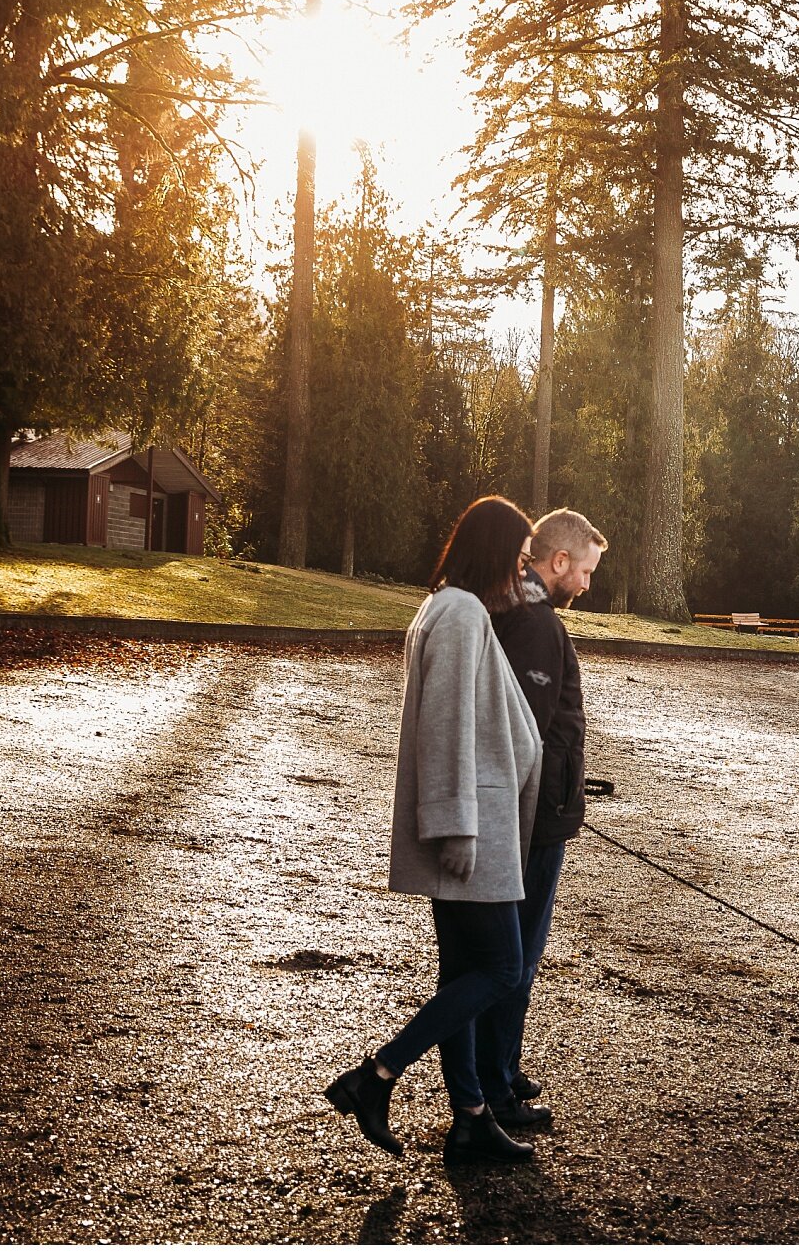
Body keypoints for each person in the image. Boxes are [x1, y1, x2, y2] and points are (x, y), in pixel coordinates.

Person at [324, 496, 544, 1164]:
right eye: (518, 557)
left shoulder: (450, 608)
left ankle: (471, 1117)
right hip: (470, 832)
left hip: (472, 826)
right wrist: (452, 824)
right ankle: (376, 1075)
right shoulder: (459, 613)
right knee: (504, 967)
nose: (521, 572)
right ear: (494, 553)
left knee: (462, 975)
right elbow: (444, 724)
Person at [482, 508, 606, 1133]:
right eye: (583, 571)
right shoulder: (534, 624)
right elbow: (523, 735)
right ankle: (497, 1087)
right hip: (534, 823)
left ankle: (500, 1067)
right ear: (557, 562)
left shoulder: (523, 612)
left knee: (513, 956)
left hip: (539, 813)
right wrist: (549, 804)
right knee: (518, 959)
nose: (585, 584)